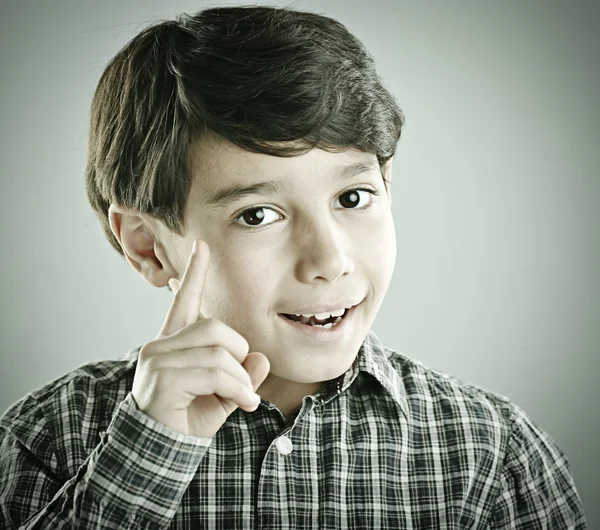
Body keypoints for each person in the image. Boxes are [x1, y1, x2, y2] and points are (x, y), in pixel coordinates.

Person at [0, 5, 587, 529]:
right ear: (149, 247)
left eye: (353, 198)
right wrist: (147, 451)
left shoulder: (494, 452)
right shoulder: (47, 438)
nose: (331, 260)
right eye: (258, 215)